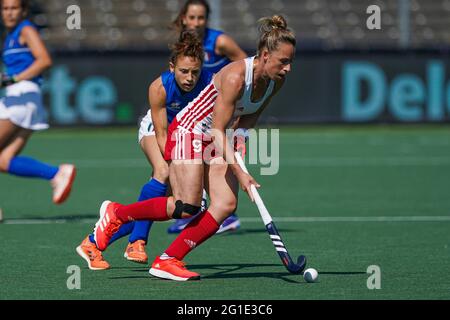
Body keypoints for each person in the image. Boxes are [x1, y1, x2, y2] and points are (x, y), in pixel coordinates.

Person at [93, 15, 296, 281]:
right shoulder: (236, 77)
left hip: (216, 136)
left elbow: (248, 118)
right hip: (190, 130)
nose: (288, 68)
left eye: (290, 62)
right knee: (186, 206)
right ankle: (117, 213)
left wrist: (240, 143)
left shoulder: (275, 80)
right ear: (266, 55)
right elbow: (216, 129)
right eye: (283, 61)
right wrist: (240, 172)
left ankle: (168, 259)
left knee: (224, 204)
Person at [76, 30, 213, 270]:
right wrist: (173, 164)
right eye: (184, 71)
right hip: (157, 131)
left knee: (177, 207)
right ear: (172, 67)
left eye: (195, 72)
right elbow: (161, 133)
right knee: (162, 171)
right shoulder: (159, 87)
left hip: (186, 140)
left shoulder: (210, 84)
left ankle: (94, 240)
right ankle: (137, 241)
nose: (190, 78)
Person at [167, 0, 247, 234]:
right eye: (191, 17)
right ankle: (196, 210)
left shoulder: (220, 41)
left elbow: (246, 68)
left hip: (216, 109)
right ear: (183, 18)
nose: (196, 23)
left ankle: (220, 214)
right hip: (194, 109)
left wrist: (235, 105)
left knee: (207, 161)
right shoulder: (182, 44)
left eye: (201, 18)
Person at [0, 0, 75, 207]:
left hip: (22, 96)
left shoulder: (25, 29)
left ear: (23, 11)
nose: (9, 13)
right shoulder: (10, 36)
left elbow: (44, 60)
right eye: (5, 9)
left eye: (14, 8)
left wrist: (12, 79)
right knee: (4, 160)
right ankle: (56, 173)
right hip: (23, 99)